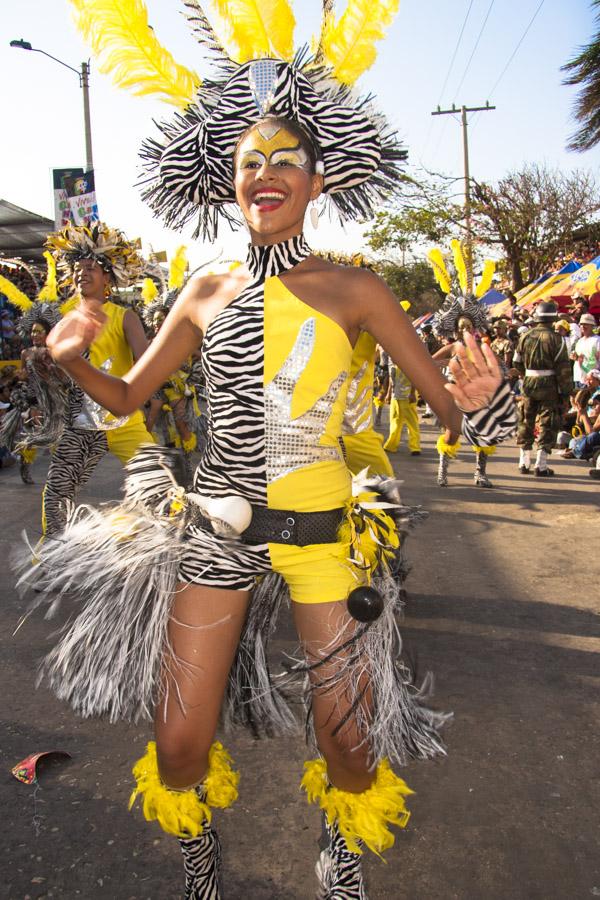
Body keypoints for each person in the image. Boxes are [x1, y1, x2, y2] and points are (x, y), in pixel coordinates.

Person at [24, 11, 516, 899]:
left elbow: (452, 416)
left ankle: (338, 848)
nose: (265, 172)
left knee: (354, 748)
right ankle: (202, 860)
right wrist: (69, 363)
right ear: (230, 184)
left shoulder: (355, 289)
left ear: (315, 180)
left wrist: (485, 402)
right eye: (249, 161)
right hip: (213, 531)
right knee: (179, 742)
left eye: (284, 158)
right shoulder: (203, 290)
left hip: (325, 532)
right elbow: (132, 398)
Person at [40, 222, 154, 536]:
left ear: (108, 277)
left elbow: (147, 361)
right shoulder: (63, 317)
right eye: (77, 268)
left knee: (159, 486)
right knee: (56, 493)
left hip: (125, 420)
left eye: (91, 267)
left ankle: (147, 553)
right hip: (82, 425)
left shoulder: (124, 316)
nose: (82, 273)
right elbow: (55, 369)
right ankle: (50, 560)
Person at [428, 242, 499, 488]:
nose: (466, 330)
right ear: (455, 330)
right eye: (462, 327)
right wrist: (448, 363)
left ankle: (480, 474)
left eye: (469, 327)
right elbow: (429, 364)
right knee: (452, 433)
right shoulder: (451, 347)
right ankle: (443, 472)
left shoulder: (481, 347)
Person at [513, 301, 574, 476]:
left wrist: (527, 374)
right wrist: (566, 393)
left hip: (529, 382)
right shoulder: (557, 340)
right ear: (553, 319)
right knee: (548, 422)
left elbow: (516, 362)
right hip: (549, 385)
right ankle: (541, 465)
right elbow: (563, 369)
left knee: (526, 419)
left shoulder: (524, 336)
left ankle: (523, 462)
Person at [383, 360, 421, 455]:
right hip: (396, 396)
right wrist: (388, 394)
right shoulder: (391, 361)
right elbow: (392, 380)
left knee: (412, 422)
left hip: (408, 396)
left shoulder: (407, 358)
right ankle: (391, 445)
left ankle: (415, 447)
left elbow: (415, 377)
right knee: (395, 420)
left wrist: (412, 393)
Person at [572, 313, 600, 388]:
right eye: (581, 324)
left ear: (592, 326)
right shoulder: (579, 341)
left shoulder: (597, 340)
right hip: (578, 377)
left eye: (586, 324)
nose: (583, 326)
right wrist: (575, 357)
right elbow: (578, 358)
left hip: (592, 380)